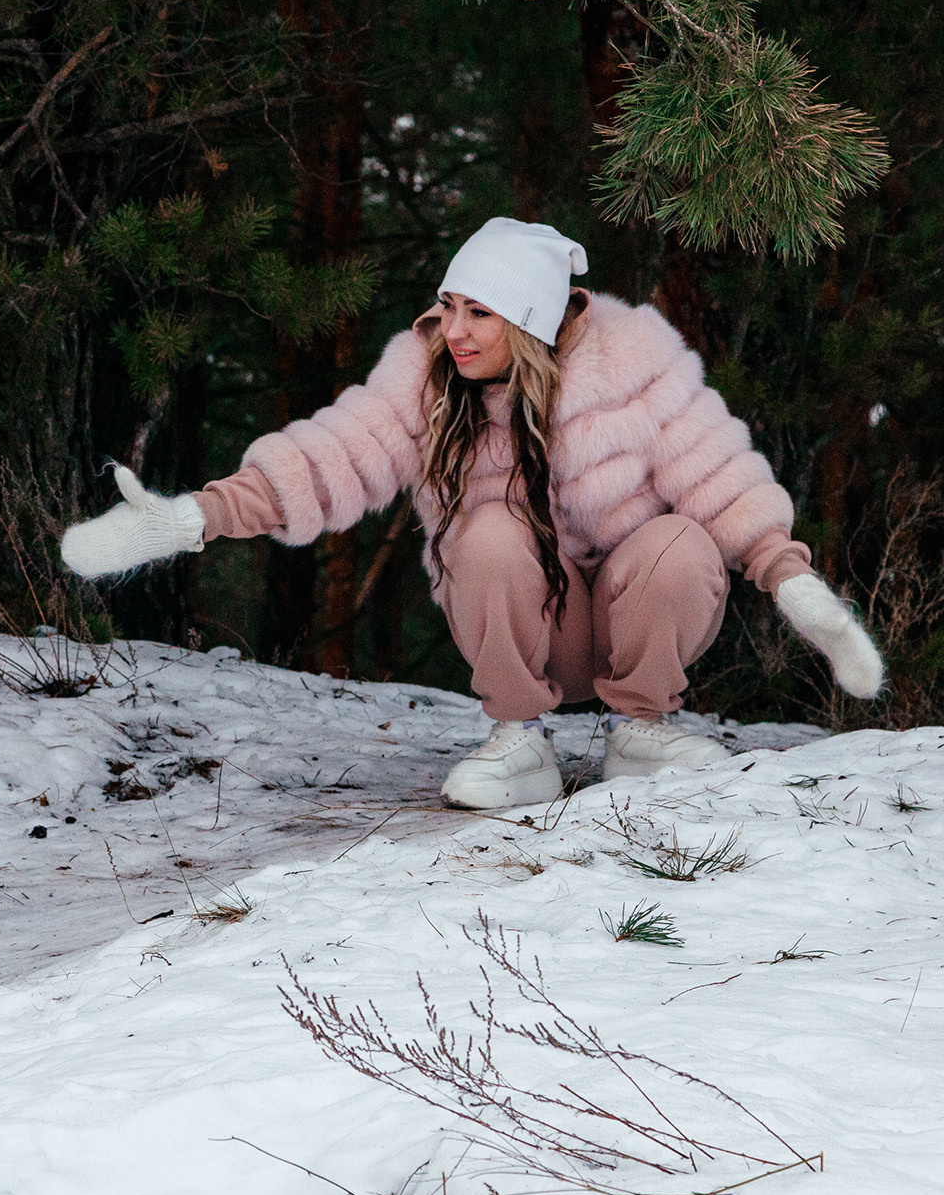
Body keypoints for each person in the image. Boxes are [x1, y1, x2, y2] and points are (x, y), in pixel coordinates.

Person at [60, 217, 882, 809]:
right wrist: (193, 518)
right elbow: (330, 457)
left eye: (475, 312)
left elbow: (723, 476)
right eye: (448, 305)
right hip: (524, 623)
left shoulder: (634, 358)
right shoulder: (426, 376)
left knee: (679, 538)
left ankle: (644, 735)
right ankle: (518, 741)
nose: (450, 329)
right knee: (484, 530)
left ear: (526, 318)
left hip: (644, 613)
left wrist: (789, 577)